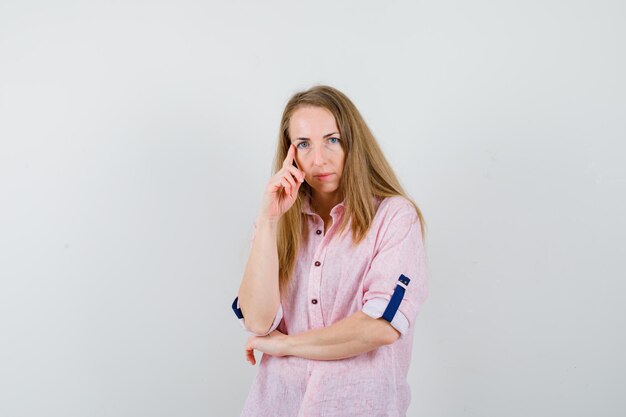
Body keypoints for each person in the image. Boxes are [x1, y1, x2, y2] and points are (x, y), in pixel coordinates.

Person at [231, 85, 429, 416]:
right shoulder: (277, 222)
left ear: (354, 141)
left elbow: (379, 327)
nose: (319, 159)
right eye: (304, 144)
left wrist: (287, 345)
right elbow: (258, 319)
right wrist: (268, 222)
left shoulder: (394, 217)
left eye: (332, 140)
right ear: (289, 154)